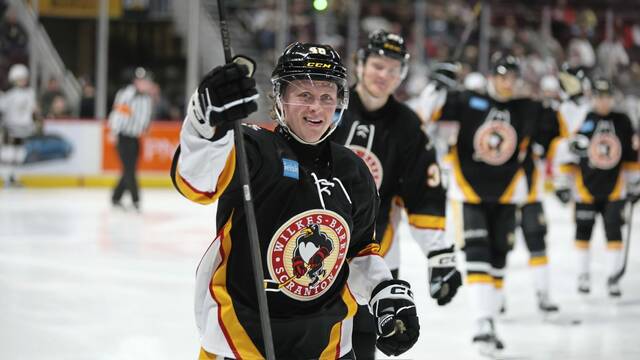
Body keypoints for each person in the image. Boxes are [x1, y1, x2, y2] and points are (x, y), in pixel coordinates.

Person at [171, 42, 420, 359]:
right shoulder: (252, 148)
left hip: (326, 344)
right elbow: (195, 183)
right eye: (304, 96)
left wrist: (382, 289)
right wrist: (204, 121)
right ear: (280, 99)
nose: (316, 107)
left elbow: (358, 251)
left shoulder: (353, 171)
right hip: (240, 339)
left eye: (326, 97)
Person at [330, 30, 462, 360]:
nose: (384, 75)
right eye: (377, 65)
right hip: (318, 250)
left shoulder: (406, 126)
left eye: (393, 69)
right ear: (359, 65)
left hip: (375, 257)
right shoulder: (328, 108)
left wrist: (438, 253)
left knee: (360, 346)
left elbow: (423, 193)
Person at [418, 54, 560, 355]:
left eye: (512, 77)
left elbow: (558, 131)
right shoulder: (469, 101)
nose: (507, 82)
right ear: (491, 76)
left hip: (509, 193)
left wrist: (567, 99)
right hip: (469, 192)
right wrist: (436, 86)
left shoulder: (527, 108)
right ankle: (482, 322)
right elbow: (423, 115)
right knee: (477, 252)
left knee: (498, 260)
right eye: (502, 76)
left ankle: (490, 319)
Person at [554, 78, 640, 297]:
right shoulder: (583, 118)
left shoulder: (622, 121)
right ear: (593, 97)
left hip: (615, 188)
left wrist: (634, 182)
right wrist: (563, 181)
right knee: (583, 232)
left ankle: (613, 276)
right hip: (585, 187)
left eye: (607, 96)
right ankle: (583, 274)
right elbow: (570, 154)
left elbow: (631, 156)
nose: (603, 101)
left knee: (614, 232)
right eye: (599, 96)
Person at [108, 67, 154, 211]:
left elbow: (145, 117)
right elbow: (118, 114)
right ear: (135, 81)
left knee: (129, 169)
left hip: (135, 138)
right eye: (141, 81)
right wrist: (113, 131)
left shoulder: (147, 98)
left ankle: (116, 197)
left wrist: (145, 128)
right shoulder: (126, 94)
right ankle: (136, 200)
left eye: (145, 80)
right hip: (123, 136)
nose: (144, 83)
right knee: (129, 170)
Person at [0, 63, 38, 185]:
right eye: (20, 79)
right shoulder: (9, 95)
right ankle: (6, 178)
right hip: (11, 128)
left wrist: (35, 120)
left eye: (24, 78)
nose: (23, 81)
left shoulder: (30, 93)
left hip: (24, 129)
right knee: (8, 154)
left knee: (20, 154)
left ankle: (14, 177)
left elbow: (34, 110)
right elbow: (3, 110)